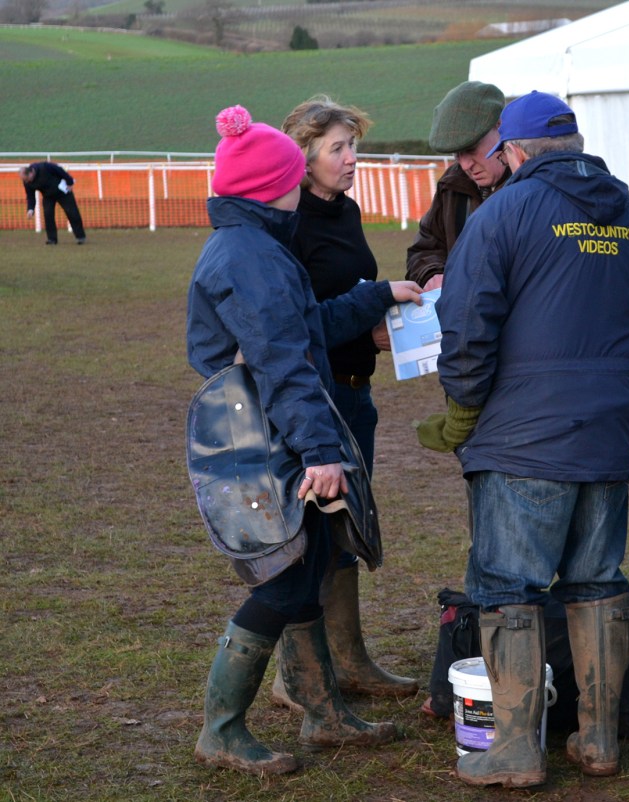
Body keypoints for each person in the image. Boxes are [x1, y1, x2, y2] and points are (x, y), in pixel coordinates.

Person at [417, 91, 629, 788]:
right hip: (606, 440)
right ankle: (597, 741)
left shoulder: (502, 215)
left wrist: (462, 412)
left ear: (515, 151)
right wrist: (619, 409)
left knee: (509, 587)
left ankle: (515, 749)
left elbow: (467, 331)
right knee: (597, 583)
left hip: (521, 444)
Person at [186, 104, 423, 776]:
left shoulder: (255, 247)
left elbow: (307, 324)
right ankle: (222, 728)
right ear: (275, 187)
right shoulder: (252, 258)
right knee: (287, 582)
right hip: (269, 443)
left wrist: (376, 296)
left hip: (276, 431)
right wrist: (320, 453)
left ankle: (324, 713)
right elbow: (285, 365)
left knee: (311, 565)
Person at [272, 95, 420, 702]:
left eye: (353, 144)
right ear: (303, 154)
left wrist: (377, 331)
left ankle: (350, 661)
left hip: (358, 396)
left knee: (347, 531)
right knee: (309, 536)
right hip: (316, 402)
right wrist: (376, 301)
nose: (351, 157)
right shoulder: (289, 224)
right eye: (338, 147)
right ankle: (296, 679)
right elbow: (303, 325)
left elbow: (349, 303)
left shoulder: (347, 210)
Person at [405, 81, 510, 290]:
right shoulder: (452, 183)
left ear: (500, 127)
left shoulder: (534, 186)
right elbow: (424, 249)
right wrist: (431, 273)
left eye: (471, 149)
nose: (465, 165)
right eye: (456, 154)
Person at [19, 161, 87, 245]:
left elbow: (60, 170)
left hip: (63, 192)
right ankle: (52, 239)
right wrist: (30, 209)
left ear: (31, 173)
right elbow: (30, 196)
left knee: (72, 213)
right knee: (48, 215)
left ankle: (80, 237)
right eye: (24, 180)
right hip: (48, 196)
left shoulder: (44, 167)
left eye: (26, 179)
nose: (26, 182)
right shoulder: (27, 182)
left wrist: (69, 182)